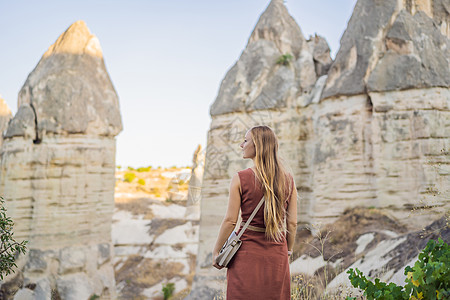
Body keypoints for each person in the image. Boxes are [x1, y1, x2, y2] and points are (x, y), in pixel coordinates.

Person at [212, 125, 298, 300]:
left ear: (257, 145)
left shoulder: (240, 178)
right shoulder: (288, 180)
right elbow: (292, 223)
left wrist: (216, 253)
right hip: (277, 255)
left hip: (246, 255)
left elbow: (230, 220)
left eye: (245, 141)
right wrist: (287, 251)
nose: (241, 145)